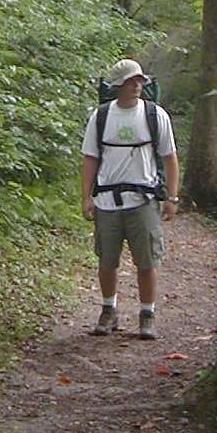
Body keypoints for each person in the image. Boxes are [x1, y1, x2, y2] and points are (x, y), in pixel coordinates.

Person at [80, 58, 180, 340]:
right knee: (107, 260)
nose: (137, 85)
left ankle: (147, 314)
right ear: (118, 86)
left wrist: (172, 197)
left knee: (147, 260)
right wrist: (86, 197)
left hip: (143, 200)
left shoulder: (155, 115)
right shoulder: (100, 117)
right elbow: (89, 159)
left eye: (139, 81)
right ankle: (108, 309)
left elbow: (170, 158)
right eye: (130, 81)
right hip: (107, 202)